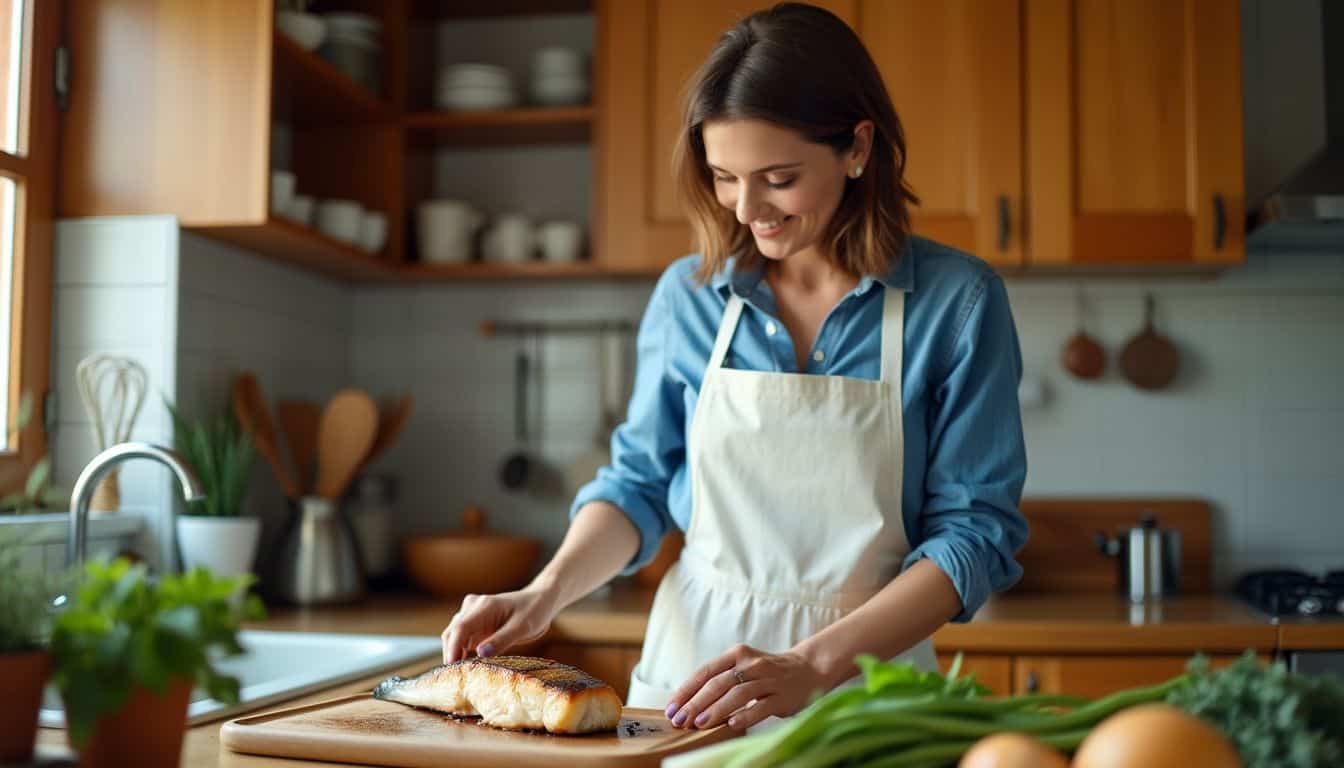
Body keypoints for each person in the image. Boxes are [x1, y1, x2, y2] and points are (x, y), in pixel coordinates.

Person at [440, 2, 1028, 734]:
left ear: (857, 148)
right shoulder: (688, 298)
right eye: (724, 177)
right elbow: (639, 485)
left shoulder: (958, 304)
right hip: (692, 685)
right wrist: (545, 592)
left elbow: (974, 534)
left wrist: (814, 665)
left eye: (779, 178)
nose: (749, 209)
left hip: (865, 688)